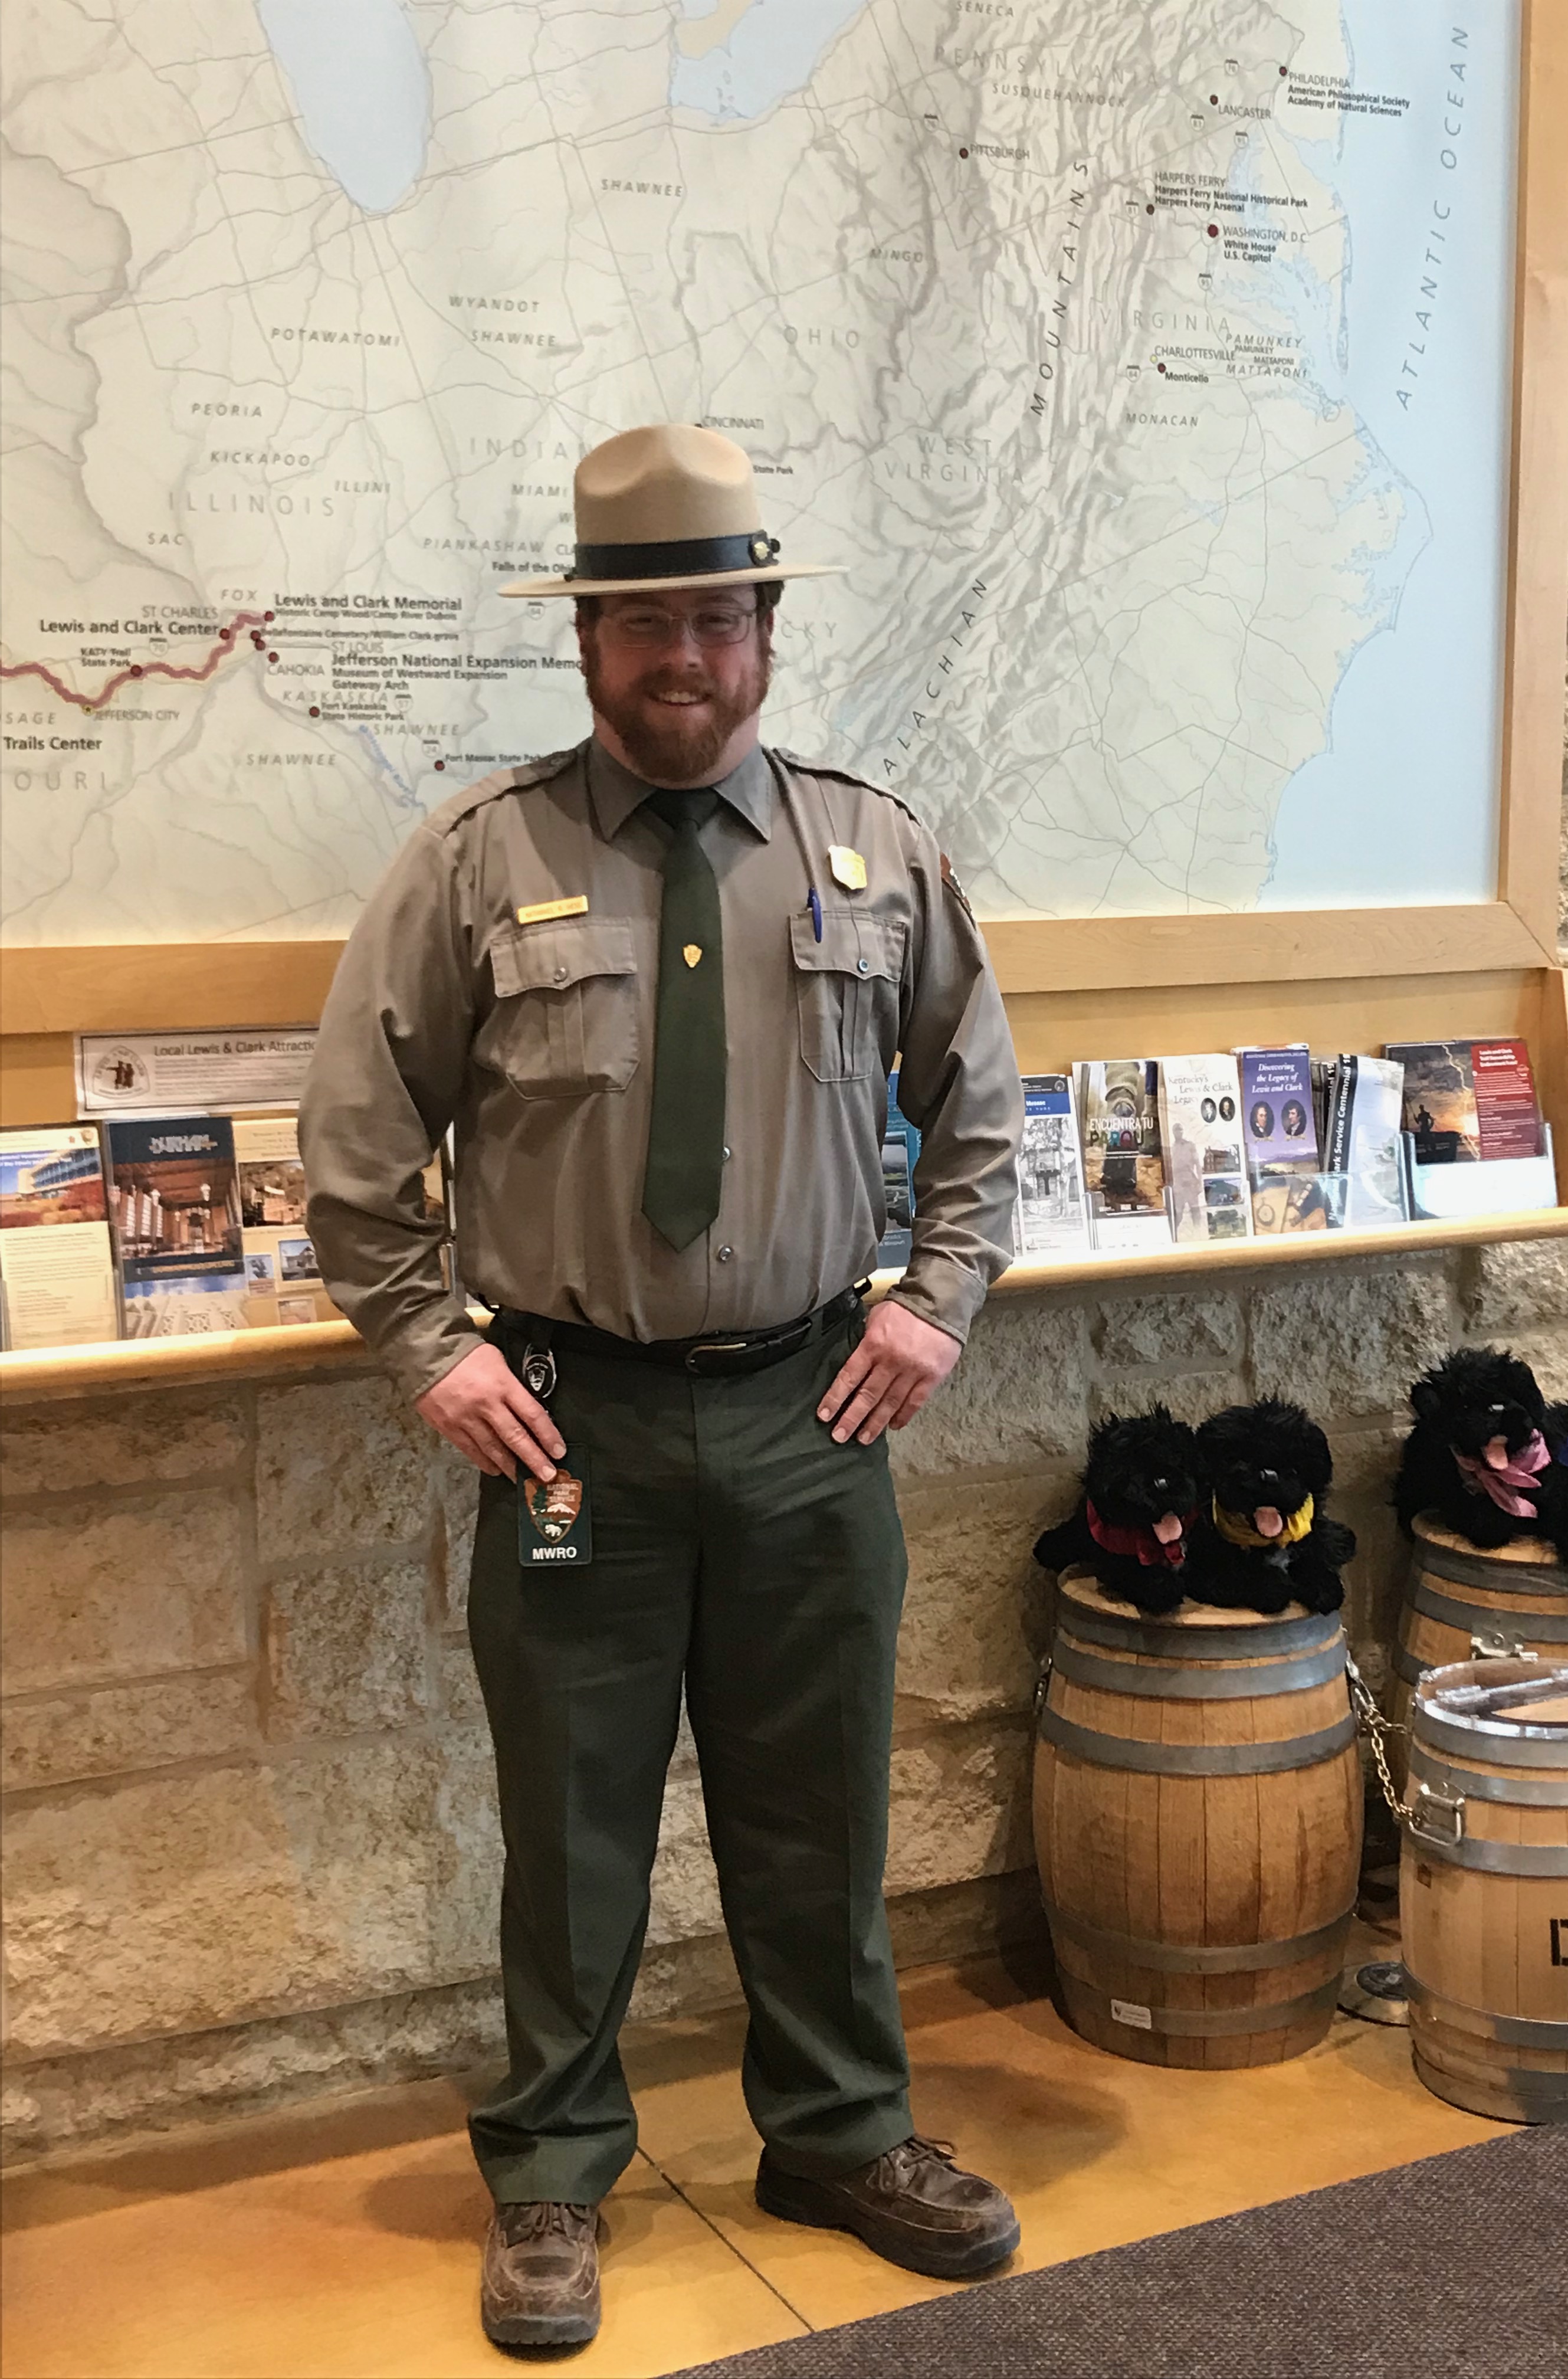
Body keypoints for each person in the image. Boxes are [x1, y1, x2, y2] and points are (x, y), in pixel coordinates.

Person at [300, 425, 1026, 2355]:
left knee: (821, 1814)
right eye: (641, 623)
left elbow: (983, 1111)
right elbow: (359, 1153)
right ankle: (551, 2169)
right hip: (572, 1436)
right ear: (589, 643)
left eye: (717, 615)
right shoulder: (475, 864)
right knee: (573, 1823)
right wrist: (432, 1358)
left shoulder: (873, 849)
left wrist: (935, 1308)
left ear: (767, 632)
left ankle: (839, 2133)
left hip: (812, 1419)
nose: (680, 656)